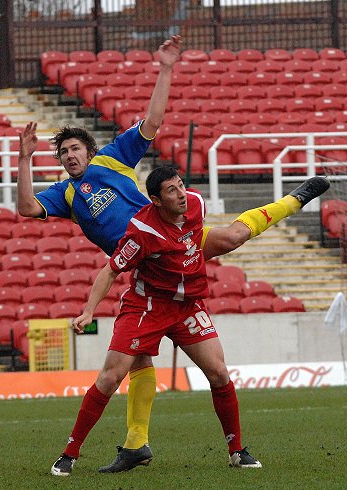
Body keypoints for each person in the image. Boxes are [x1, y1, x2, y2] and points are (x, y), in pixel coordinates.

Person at [18, 36, 331, 474]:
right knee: (135, 362)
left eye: (75, 149)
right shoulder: (64, 194)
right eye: (64, 152)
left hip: (175, 243)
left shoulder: (112, 160)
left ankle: (296, 199)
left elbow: (152, 121)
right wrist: (25, 159)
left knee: (231, 238)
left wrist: (165, 67)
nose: (70, 156)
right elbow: (27, 209)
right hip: (145, 268)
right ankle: (133, 446)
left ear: (90, 150)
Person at [51, 165, 264, 476]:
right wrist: (88, 310)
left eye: (180, 186)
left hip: (186, 305)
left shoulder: (195, 203)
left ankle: (236, 451)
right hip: (146, 306)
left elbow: (209, 238)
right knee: (111, 377)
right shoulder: (141, 231)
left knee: (218, 372)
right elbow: (111, 270)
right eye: (171, 191)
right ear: (156, 200)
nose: (181, 194)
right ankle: (69, 453)